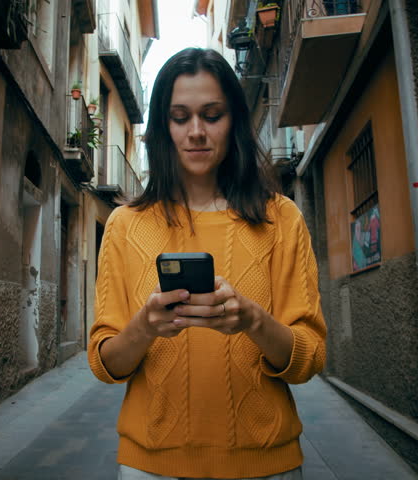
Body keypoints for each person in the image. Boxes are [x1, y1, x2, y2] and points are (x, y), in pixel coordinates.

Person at [87, 47, 327, 480]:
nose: (196, 131)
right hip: (150, 465)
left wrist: (253, 320)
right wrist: (145, 326)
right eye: (180, 117)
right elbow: (106, 364)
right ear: (162, 126)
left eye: (211, 114)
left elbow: (309, 358)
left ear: (234, 120)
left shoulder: (281, 218)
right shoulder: (124, 226)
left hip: (265, 463)